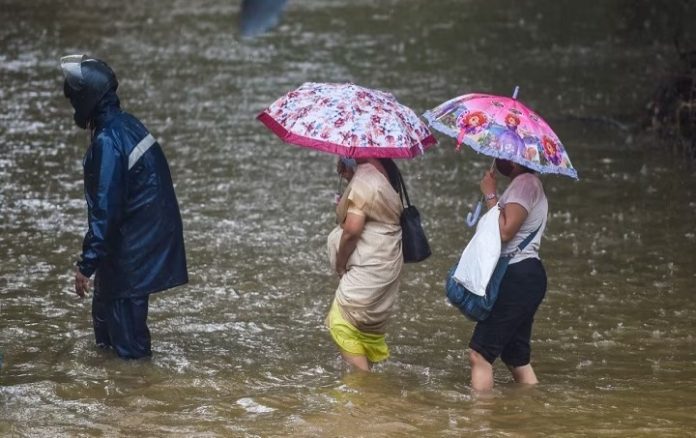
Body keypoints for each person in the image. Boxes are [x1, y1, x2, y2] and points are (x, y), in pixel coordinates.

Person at [61, 55, 188, 359]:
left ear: (86, 99)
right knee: (106, 333)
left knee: (129, 347)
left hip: (131, 252)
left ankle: (138, 397)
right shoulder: (126, 124)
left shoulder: (108, 141)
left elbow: (106, 208)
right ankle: (119, 395)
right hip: (133, 245)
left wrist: (86, 264)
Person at [469, 158, 548, 391]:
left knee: (479, 355)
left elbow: (504, 231)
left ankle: (480, 421)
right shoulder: (526, 183)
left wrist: (490, 194)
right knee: (516, 358)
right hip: (527, 276)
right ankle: (528, 411)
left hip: (517, 275)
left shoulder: (525, 184)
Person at [326, 156, 404, 371]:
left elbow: (352, 230)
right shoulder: (383, 171)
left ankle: (365, 387)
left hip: (371, 266)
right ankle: (375, 394)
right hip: (386, 261)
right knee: (367, 332)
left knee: (340, 322)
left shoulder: (364, 180)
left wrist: (340, 263)